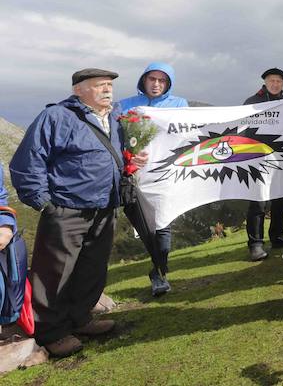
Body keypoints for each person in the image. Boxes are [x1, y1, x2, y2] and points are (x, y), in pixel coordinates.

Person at [9, 69, 148, 357]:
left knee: (92, 268)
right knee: (55, 273)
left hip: (104, 206)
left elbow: (114, 155)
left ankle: (80, 318)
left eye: (109, 85)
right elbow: (28, 160)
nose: (107, 90)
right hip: (67, 208)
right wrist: (45, 203)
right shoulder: (57, 117)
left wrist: (133, 160)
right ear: (78, 90)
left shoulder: (114, 119)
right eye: (99, 86)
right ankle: (52, 331)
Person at [118, 62, 188, 297]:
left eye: (162, 80)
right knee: (144, 227)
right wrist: (128, 158)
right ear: (143, 80)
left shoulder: (179, 105)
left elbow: (187, 135)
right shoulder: (126, 105)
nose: (156, 84)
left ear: (168, 84)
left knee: (163, 225)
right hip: (134, 177)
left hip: (165, 175)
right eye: (152, 79)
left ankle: (160, 274)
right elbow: (116, 139)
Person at [243, 68, 283, 261]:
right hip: (257, 159)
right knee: (258, 201)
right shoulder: (252, 103)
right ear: (265, 81)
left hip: (280, 158)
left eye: (279, 81)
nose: (275, 84)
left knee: (280, 197)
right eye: (272, 80)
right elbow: (243, 128)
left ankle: (277, 235)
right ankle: (255, 244)